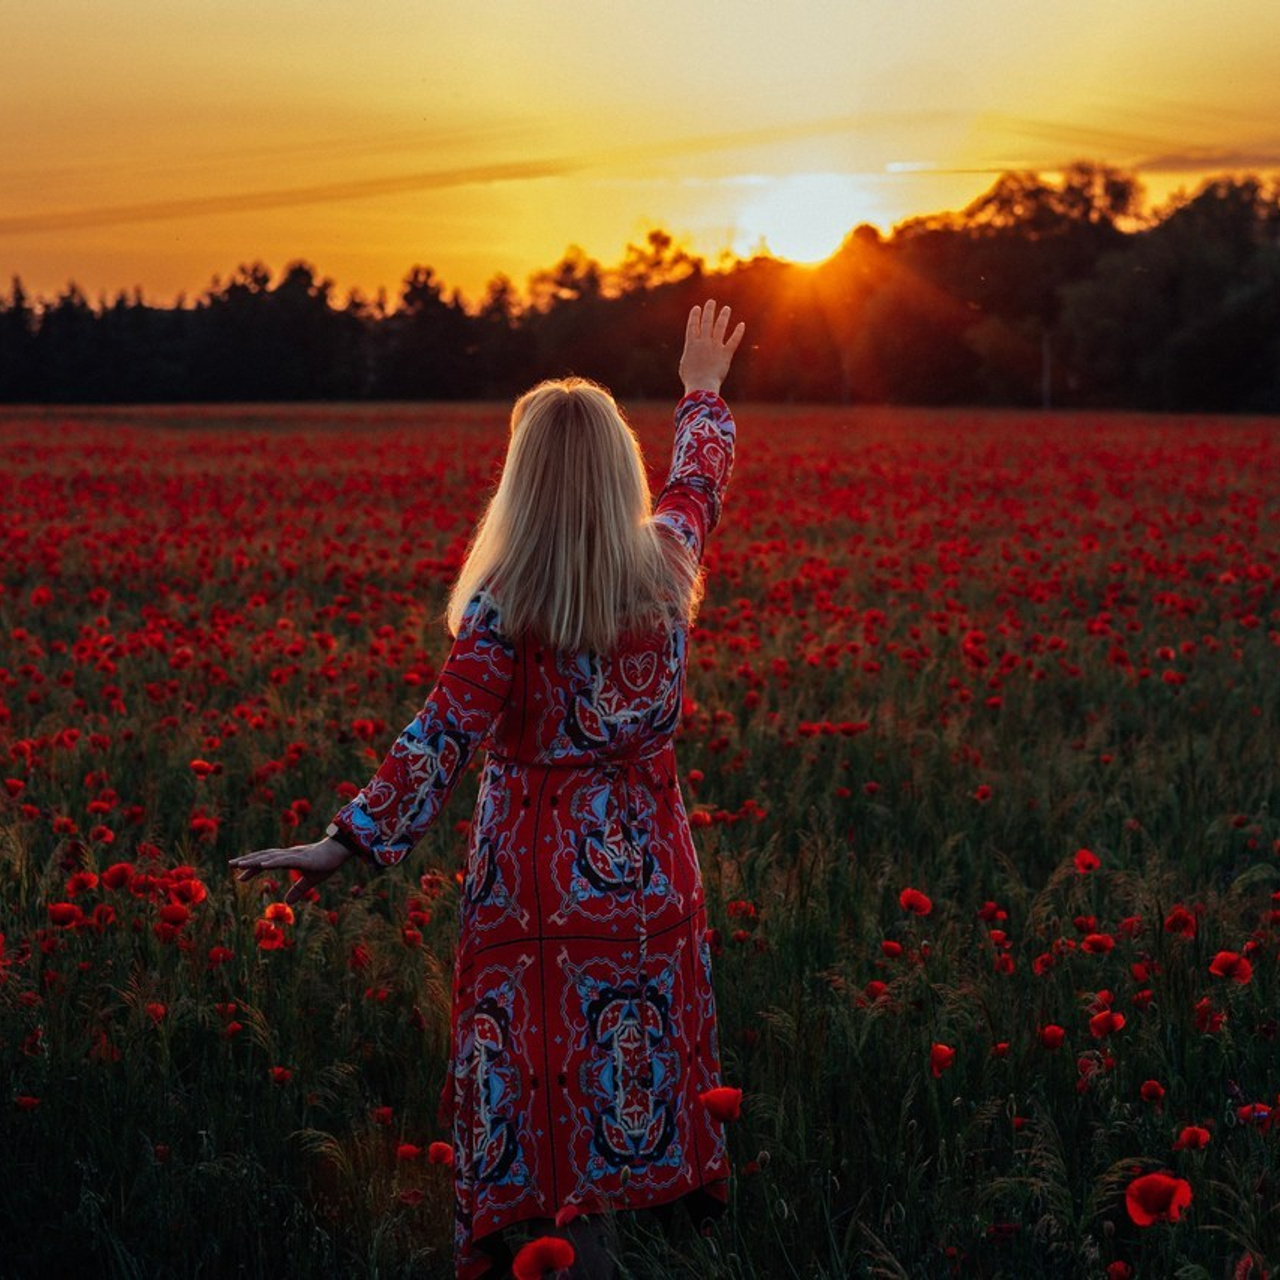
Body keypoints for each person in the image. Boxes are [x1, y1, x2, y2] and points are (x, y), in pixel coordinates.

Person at [229, 299, 746, 1279]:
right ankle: (606, 1245)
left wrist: (346, 840)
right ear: (618, 473)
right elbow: (698, 477)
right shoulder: (669, 562)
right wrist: (701, 388)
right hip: (652, 889)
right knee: (622, 1074)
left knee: (547, 1093)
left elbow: (441, 735)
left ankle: (575, 1256)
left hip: (536, 901)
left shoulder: (507, 609)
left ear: (522, 480)